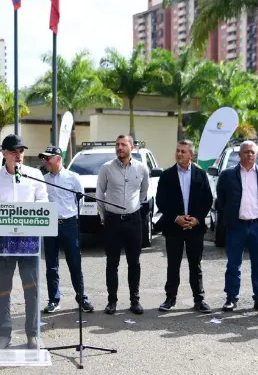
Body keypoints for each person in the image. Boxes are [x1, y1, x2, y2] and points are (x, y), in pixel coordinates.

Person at [0, 134, 48, 349]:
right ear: (4, 154)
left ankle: (32, 334)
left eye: (21, 151)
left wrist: (26, 216)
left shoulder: (35, 174)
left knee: (32, 288)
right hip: (4, 242)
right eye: (14, 151)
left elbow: (43, 202)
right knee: (2, 289)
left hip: (29, 241)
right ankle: (3, 334)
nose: (19, 155)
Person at [216, 140, 258, 312]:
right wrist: (230, 216)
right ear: (239, 155)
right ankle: (231, 299)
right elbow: (221, 199)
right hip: (237, 226)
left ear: (256, 155)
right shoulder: (228, 175)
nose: (249, 154)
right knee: (234, 264)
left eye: (252, 152)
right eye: (246, 152)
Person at [155, 140, 213, 313]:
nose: (179, 154)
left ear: (191, 154)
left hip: (194, 227)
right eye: (177, 151)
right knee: (173, 264)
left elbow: (207, 200)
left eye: (183, 151)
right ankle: (170, 298)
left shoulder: (200, 174)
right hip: (174, 228)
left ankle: (199, 299)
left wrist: (197, 219)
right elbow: (161, 201)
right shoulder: (167, 175)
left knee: (195, 265)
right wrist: (175, 218)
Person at [96, 135, 149, 315]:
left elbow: (143, 192)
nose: (119, 148)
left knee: (134, 262)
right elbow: (99, 193)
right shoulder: (106, 168)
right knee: (112, 263)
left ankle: (135, 300)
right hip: (112, 222)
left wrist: (134, 208)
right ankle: (112, 301)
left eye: (123, 145)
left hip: (134, 221)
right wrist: (103, 214)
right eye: (117, 145)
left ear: (132, 147)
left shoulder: (141, 168)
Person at [40, 146, 93, 314]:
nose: (45, 161)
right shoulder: (43, 179)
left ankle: (81, 297)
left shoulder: (73, 178)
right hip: (50, 225)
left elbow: (80, 201)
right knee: (51, 265)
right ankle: (54, 300)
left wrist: (71, 217)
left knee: (74, 263)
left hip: (69, 224)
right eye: (44, 158)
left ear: (58, 158)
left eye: (48, 158)